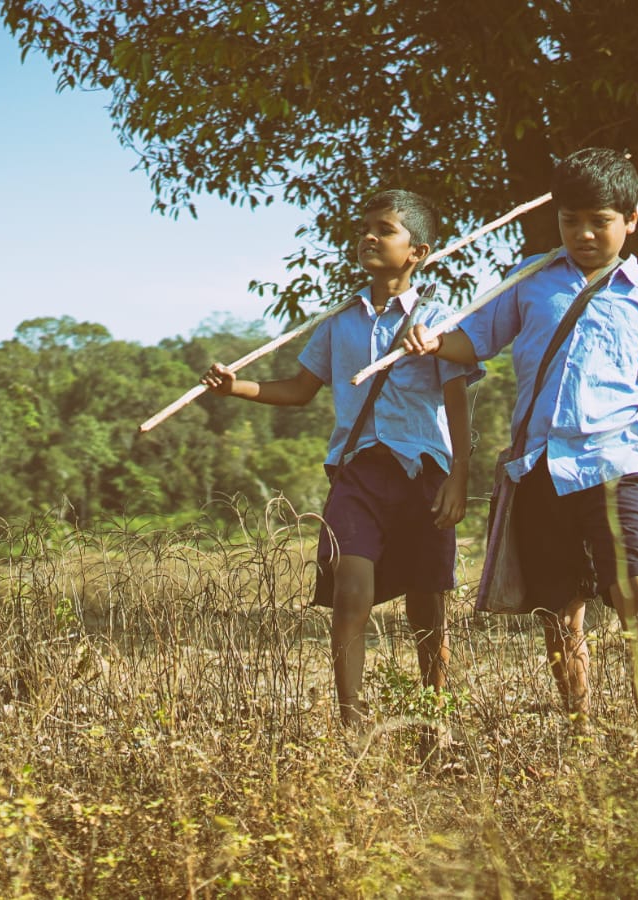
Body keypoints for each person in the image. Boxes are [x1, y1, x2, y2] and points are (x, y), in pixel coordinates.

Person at [402, 149, 638, 754]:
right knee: (560, 613)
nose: (584, 234)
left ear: (632, 220)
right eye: (570, 221)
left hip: (618, 464)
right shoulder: (529, 279)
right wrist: (431, 341)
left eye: (600, 220)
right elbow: (473, 343)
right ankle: (579, 729)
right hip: (538, 467)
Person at [201, 189, 480, 729]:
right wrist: (237, 388)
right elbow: (301, 389)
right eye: (365, 228)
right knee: (351, 589)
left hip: (425, 473)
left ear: (417, 251)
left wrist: (460, 476)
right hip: (356, 474)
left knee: (429, 604)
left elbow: (458, 396)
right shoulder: (338, 320)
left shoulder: (440, 319)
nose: (369, 236)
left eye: (385, 229)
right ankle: (352, 723)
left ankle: (433, 713)